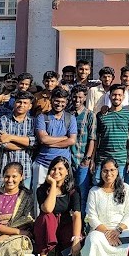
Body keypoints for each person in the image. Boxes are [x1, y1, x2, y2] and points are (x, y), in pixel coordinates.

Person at [80, 158, 129, 256]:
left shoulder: (125, 188)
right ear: (101, 172)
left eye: (112, 170)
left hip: (120, 231)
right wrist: (107, 233)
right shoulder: (94, 191)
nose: (108, 174)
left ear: (117, 171)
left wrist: (117, 231)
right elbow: (92, 217)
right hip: (100, 232)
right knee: (93, 239)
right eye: (105, 171)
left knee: (128, 248)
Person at [34, 156, 83, 256]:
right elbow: (48, 209)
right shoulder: (42, 190)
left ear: (67, 171)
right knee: (47, 217)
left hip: (64, 226)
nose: (56, 172)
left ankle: (60, 252)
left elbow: (77, 214)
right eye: (53, 169)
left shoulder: (73, 190)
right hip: (47, 225)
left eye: (60, 169)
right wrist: (54, 185)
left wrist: (76, 238)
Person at [33, 87, 77, 215]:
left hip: (62, 165)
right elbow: (43, 139)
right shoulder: (43, 117)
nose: (59, 104)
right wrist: (63, 139)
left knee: (62, 194)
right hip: (43, 163)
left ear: (67, 102)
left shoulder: (70, 118)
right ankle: (38, 226)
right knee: (39, 197)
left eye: (63, 102)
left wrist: (51, 142)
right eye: (57, 101)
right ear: (51, 100)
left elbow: (72, 141)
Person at [95, 84, 129, 190]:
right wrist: (92, 159)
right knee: (98, 185)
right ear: (109, 96)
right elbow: (96, 138)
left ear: (123, 97)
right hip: (102, 158)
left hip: (120, 159)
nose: (116, 97)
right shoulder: (101, 115)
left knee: (118, 188)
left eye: (119, 95)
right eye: (114, 95)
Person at [0, 90, 35, 190]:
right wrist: (26, 143)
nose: (21, 105)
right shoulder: (3, 120)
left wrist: (11, 137)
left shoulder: (33, 122)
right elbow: (2, 143)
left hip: (25, 170)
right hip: (4, 167)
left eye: (25, 103)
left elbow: (34, 142)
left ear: (30, 106)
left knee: (23, 202)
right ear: (14, 103)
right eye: (19, 102)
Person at [69, 85, 96, 218]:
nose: (77, 99)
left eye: (80, 97)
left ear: (85, 97)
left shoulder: (90, 115)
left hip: (82, 160)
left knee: (82, 192)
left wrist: (88, 158)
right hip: (67, 159)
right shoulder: (67, 114)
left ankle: (82, 223)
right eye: (74, 96)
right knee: (67, 191)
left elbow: (92, 138)